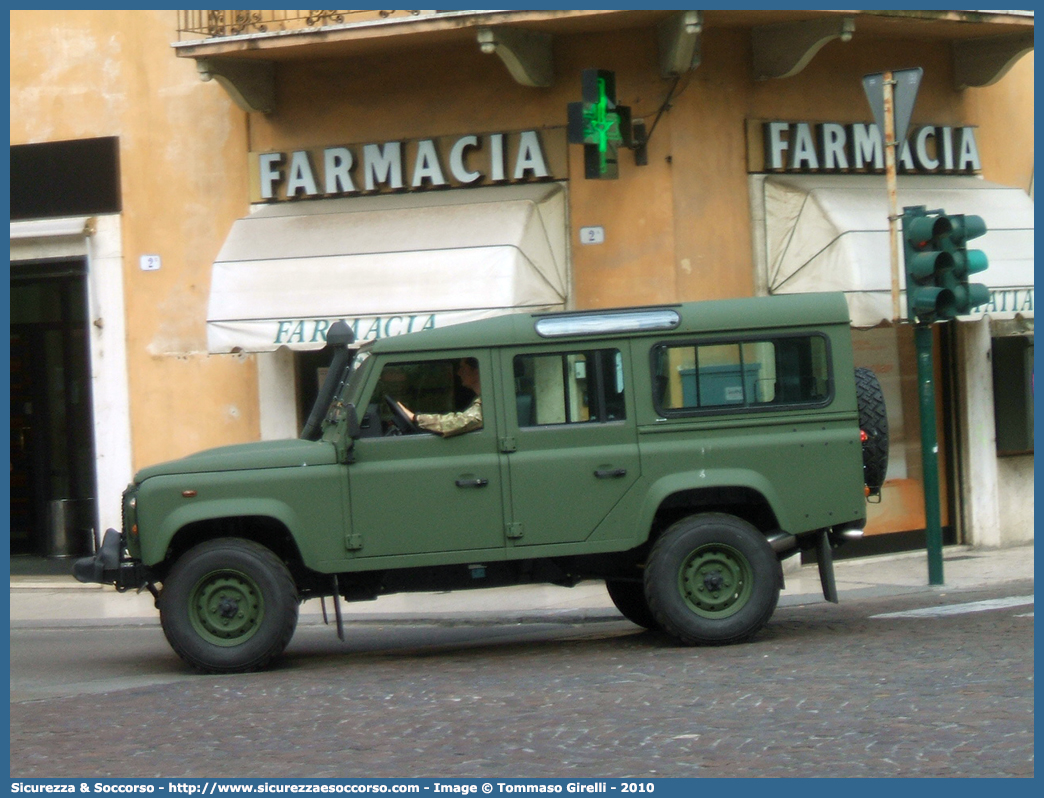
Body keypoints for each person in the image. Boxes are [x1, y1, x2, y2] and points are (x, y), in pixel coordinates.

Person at [395, 358, 482, 438]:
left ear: (476, 372)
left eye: (463, 368)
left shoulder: (488, 402)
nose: (459, 372)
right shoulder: (482, 399)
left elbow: (459, 422)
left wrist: (416, 418)